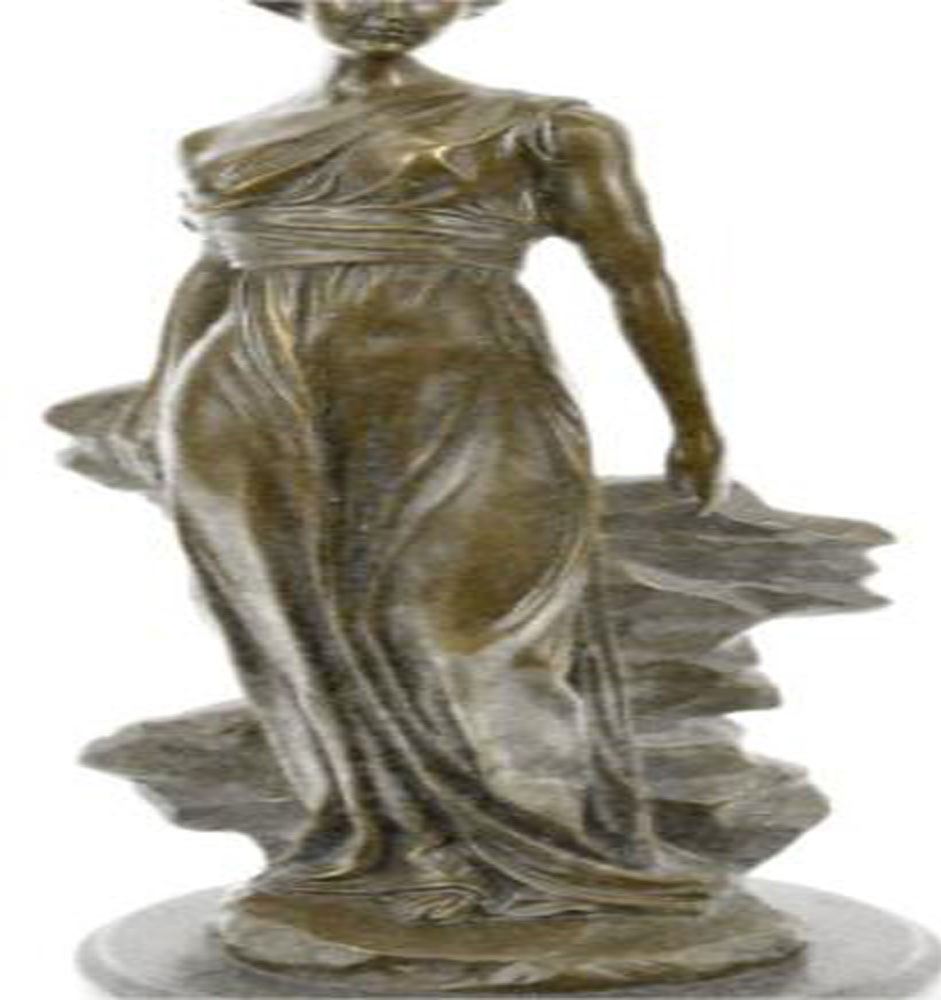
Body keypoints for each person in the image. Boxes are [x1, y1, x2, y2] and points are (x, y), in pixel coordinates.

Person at [49, 0, 727, 924]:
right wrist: (160, 400)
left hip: (464, 389)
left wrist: (693, 423)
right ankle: (394, 848)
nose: (387, 5)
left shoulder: (545, 128)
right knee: (297, 628)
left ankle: (548, 857)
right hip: (246, 397)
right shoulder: (222, 141)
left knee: (476, 630)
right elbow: (214, 272)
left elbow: (636, 273)